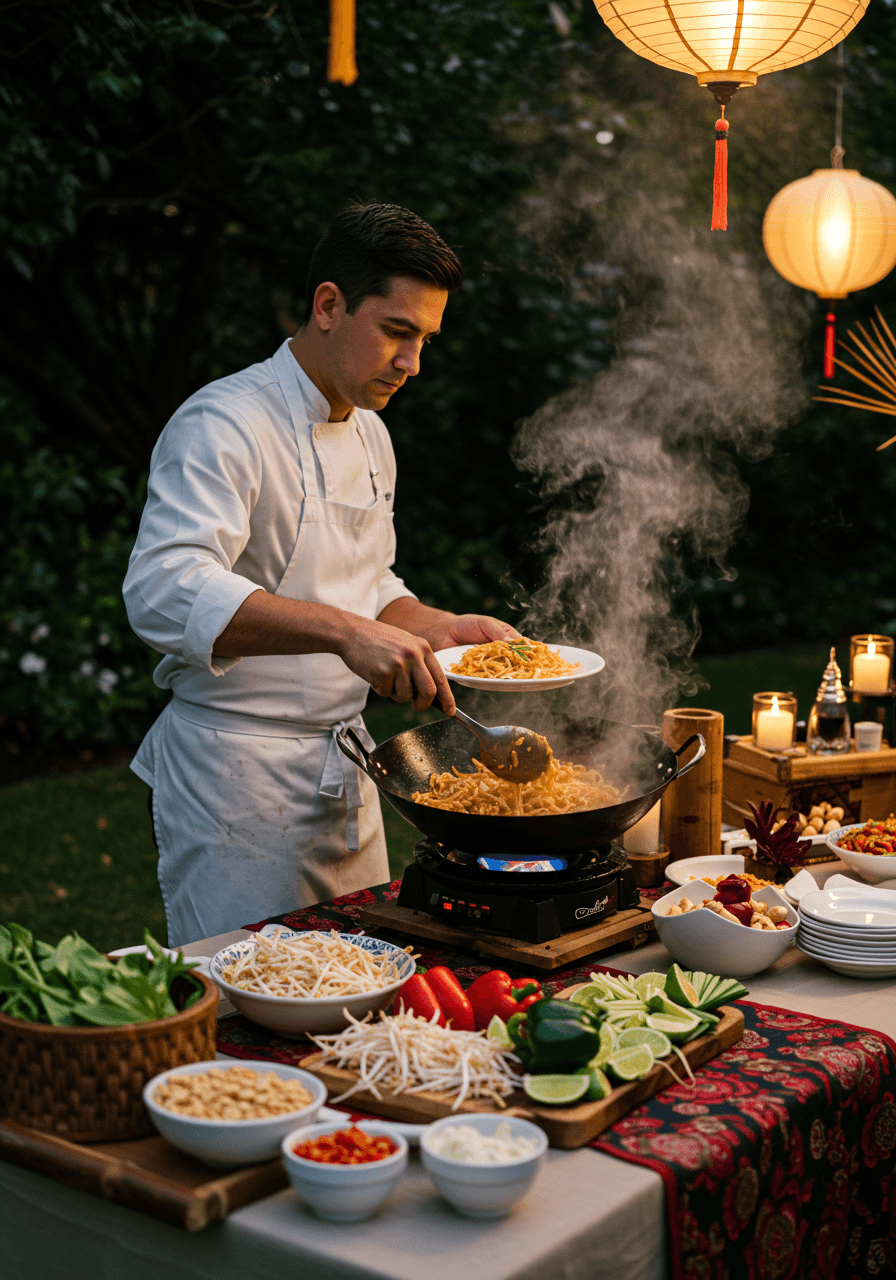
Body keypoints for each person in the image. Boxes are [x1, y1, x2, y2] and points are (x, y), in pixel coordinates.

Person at [124, 203, 517, 946]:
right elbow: (162, 590)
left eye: (425, 340)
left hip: (345, 771)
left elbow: (369, 584)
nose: (413, 364)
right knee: (249, 1011)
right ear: (329, 305)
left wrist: (436, 627)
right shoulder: (224, 423)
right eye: (398, 332)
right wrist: (347, 634)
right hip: (234, 784)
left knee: (355, 995)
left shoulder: (371, 432)